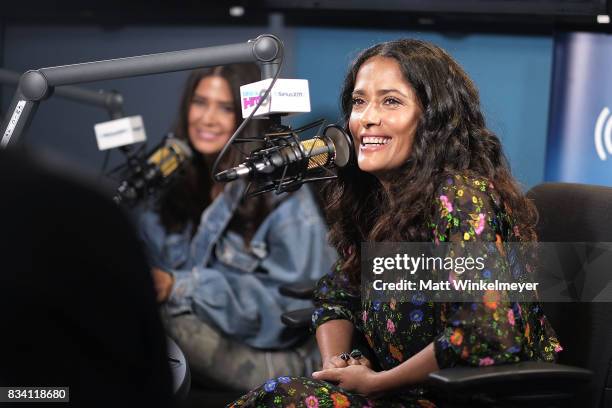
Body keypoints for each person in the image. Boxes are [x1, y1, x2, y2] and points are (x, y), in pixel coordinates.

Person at [228, 39, 562, 407]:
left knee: (282, 396)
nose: (367, 117)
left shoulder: (462, 198)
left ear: (434, 117)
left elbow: (484, 330)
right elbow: (337, 297)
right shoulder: (374, 198)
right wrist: (335, 366)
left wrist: (377, 382)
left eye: (391, 101)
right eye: (359, 101)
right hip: (394, 395)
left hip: (463, 399)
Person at [138, 64, 337, 391]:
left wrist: (180, 287)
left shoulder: (281, 195)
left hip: (276, 357)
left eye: (225, 107)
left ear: (248, 117)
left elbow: (295, 307)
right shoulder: (175, 187)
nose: (207, 118)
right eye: (200, 102)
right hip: (200, 339)